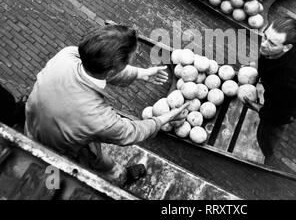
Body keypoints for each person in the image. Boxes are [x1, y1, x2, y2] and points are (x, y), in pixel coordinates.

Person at [25, 24, 189, 185]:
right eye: (130, 59)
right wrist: (165, 118)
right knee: (95, 163)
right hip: (61, 150)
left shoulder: (67, 55)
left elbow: (99, 71)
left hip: (33, 126)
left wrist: (140, 73)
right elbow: (131, 132)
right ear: (112, 71)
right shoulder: (98, 118)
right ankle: (121, 178)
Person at [244, 16, 296, 164]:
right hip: (286, 89)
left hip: (286, 106)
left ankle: (268, 153)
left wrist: (258, 108)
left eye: (272, 44)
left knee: (267, 132)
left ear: (287, 47)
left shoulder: (288, 81)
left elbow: (280, 115)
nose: (263, 45)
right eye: (265, 36)